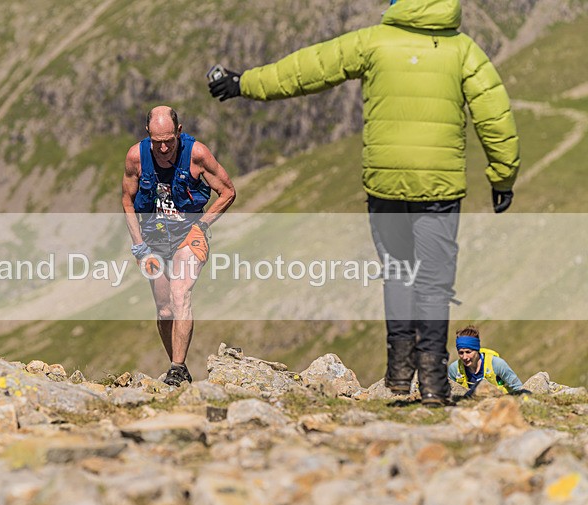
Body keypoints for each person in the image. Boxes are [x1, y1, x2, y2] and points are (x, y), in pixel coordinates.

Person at [208, 0, 519, 406]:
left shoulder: (372, 42)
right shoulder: (464, 50)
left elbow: (307, 69)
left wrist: (242, 82)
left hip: (385, 183)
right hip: (439, 188)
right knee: (434, 281)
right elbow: (495, 117)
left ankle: (399, 370)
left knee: (398, 272)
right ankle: (433, 382)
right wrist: (502, 177)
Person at [121, 106, 235, 386]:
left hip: (189, 234)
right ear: (148, 134)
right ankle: (179, 372)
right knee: (164, 309)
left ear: (179, 131)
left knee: (180, 293)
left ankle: (176, 366)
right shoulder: (136, 157)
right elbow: (127, 200)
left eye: (169, 141)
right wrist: (138, 245)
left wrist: (202, 225)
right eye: (157, 141)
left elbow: (228, 192)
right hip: (153, 239)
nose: (163, 148)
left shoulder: (197, 154)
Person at [448, 325, 523, 394]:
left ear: (477, 350)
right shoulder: (454, 369)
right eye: (461, 353)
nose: (464, 357)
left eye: (468, 352)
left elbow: (518, 387)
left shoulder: (497, 364)